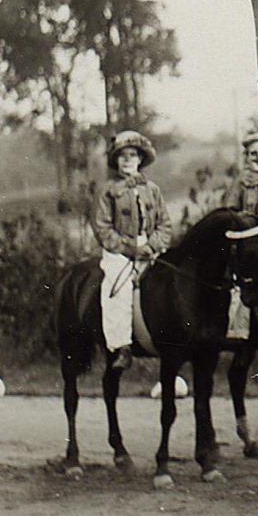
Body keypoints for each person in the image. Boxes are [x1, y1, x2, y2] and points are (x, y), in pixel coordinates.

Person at [92, 130, 172, 373]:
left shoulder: (152, 190)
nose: (128, 160)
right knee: (118, 288)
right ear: (116, 161)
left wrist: (152, 244)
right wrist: (129, 248)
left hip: (149, 246)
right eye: (122, 156)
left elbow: (165, 224)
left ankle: (168, 339)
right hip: (120, 250)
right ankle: (122, 346)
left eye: (133, 155)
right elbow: (102, 227)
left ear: (141, 159)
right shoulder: (108, 191)